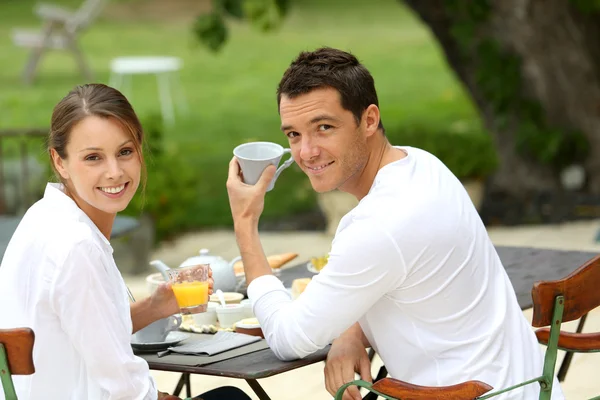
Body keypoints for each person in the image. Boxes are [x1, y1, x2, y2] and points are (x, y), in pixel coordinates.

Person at [226, 47, 564, 400]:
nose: (306, 152)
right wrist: (350, 329)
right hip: (528, 389)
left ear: (369, 120)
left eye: (324, 128)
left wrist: (245, 223)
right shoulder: (422, 164)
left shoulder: (377, 226)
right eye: (293, 135)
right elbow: (394, 274)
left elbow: (286, 339)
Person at [0, 84, 251, 400]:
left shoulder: (43, 216)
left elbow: (86, 331)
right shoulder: (77, 246)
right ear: (59, 161)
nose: (115, 172)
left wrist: (153, 307)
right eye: (93, 157)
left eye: (125, 152)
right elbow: (127, 390)